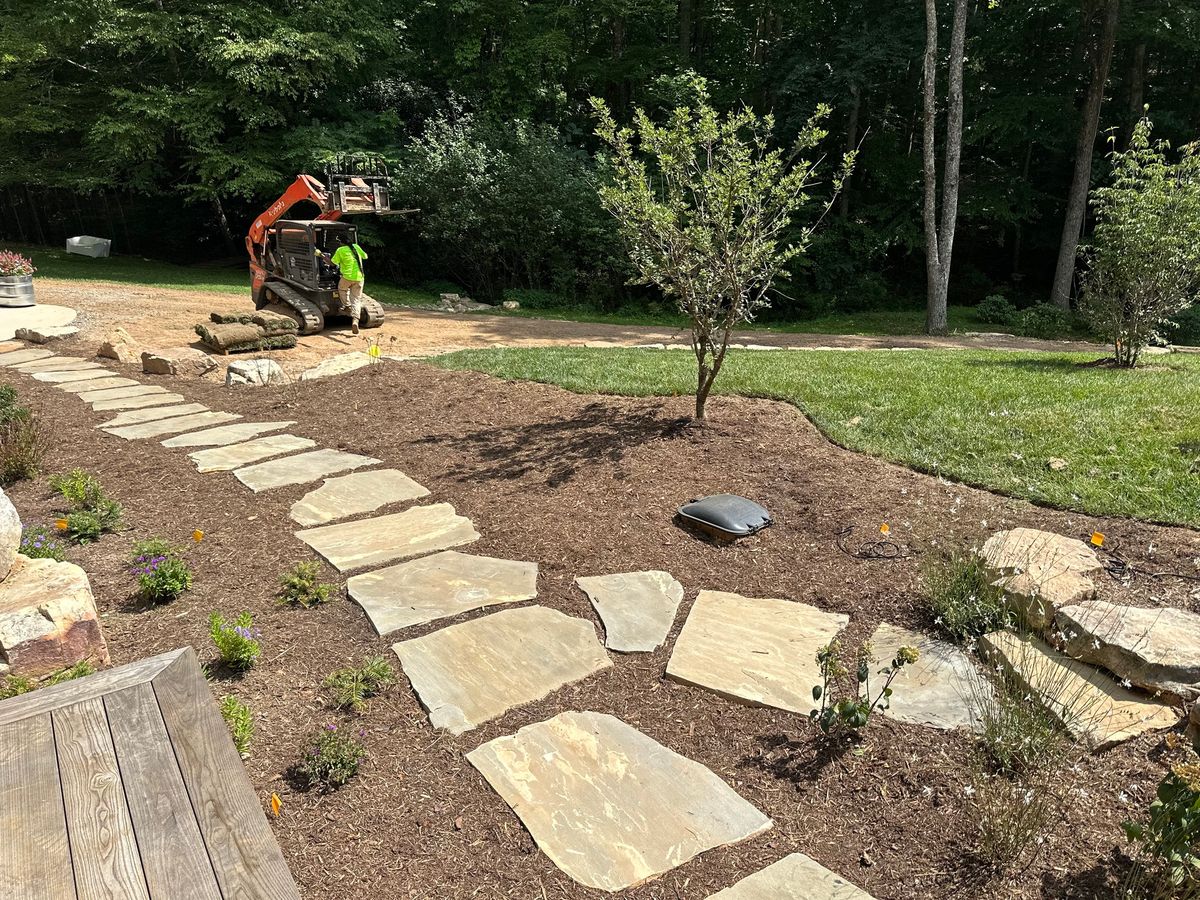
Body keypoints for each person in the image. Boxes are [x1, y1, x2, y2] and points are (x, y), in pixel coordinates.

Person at [329, 232, 368, 334]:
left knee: (342, 289)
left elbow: (332, 263)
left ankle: (347, 306)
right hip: (359, 277)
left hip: (347, 277)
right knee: (356, 299)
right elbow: (365, 256)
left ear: (340, 242)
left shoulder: (340, 250)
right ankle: (355, 320)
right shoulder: (355, 246)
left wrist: (321, 256)